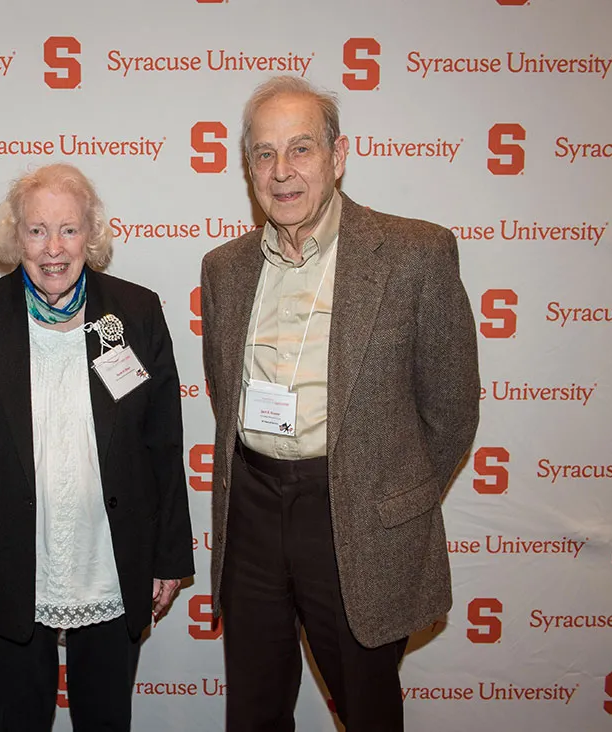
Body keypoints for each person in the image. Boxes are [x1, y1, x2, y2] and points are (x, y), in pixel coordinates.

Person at [200, 76, 480, 731]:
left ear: (338, 157)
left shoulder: (415, 253)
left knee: (368, 708)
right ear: (248, 168)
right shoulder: (225, 268)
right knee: (255, 710)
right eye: (264, 154)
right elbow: (225, 389)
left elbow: (452, 407)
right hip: (253, 512)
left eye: (301, 149)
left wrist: (387, 497)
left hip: (352, 515)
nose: (282, 171)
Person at [0, 163, 194, 732]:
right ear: (14, 235)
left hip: (111, 565)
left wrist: (168, 555)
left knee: (107, 721)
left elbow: (163, 446)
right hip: (8, 569)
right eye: (37, 230)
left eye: (68, 230)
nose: (53, 249)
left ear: (91, 234)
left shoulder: (135, 313)